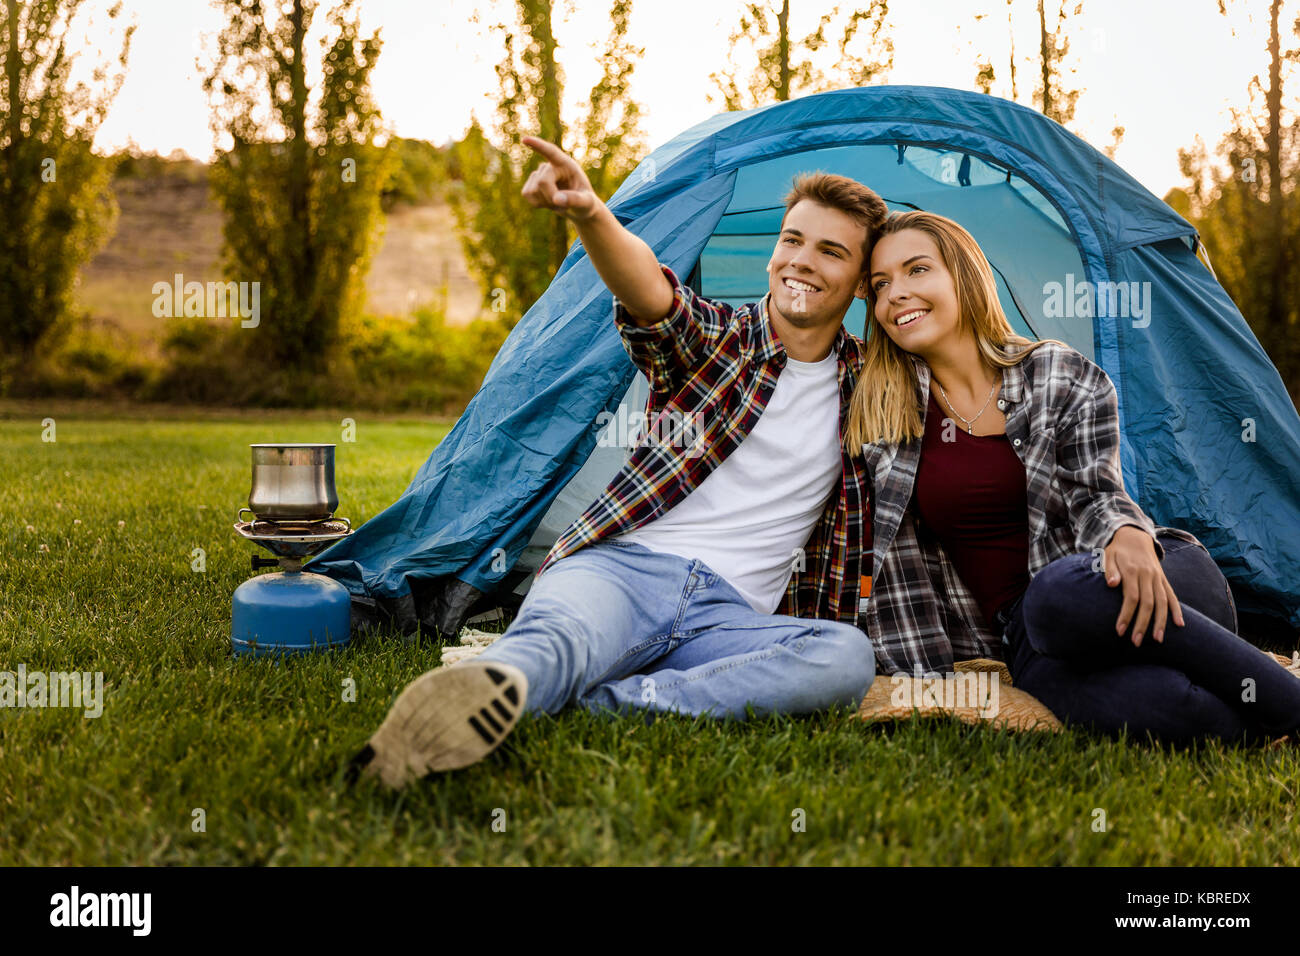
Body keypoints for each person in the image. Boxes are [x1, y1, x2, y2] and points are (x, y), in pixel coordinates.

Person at [351, 138, 889, 788]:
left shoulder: (870, 382)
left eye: (830, 251)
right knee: (561, 638)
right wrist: (590, 214)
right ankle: (487, 693)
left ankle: (605, 701)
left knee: (843, 656)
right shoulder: (719, 339)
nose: (801, 261)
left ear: (861, 282)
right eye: (792, 240)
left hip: (730, 617)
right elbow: (652, 294)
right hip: (621, 573)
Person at [850, 209, 1300, 746]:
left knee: (1059, 594)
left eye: (916, 270)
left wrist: (1127, 534)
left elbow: (1097, 491)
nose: (896, 293)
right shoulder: (885, 415)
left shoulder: (1057, 373)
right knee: (1167, 708)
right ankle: (1247, 702)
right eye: (880, 285)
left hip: (1141, 572)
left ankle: (1289, 704)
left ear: (964, 275)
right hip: (1032, 638)